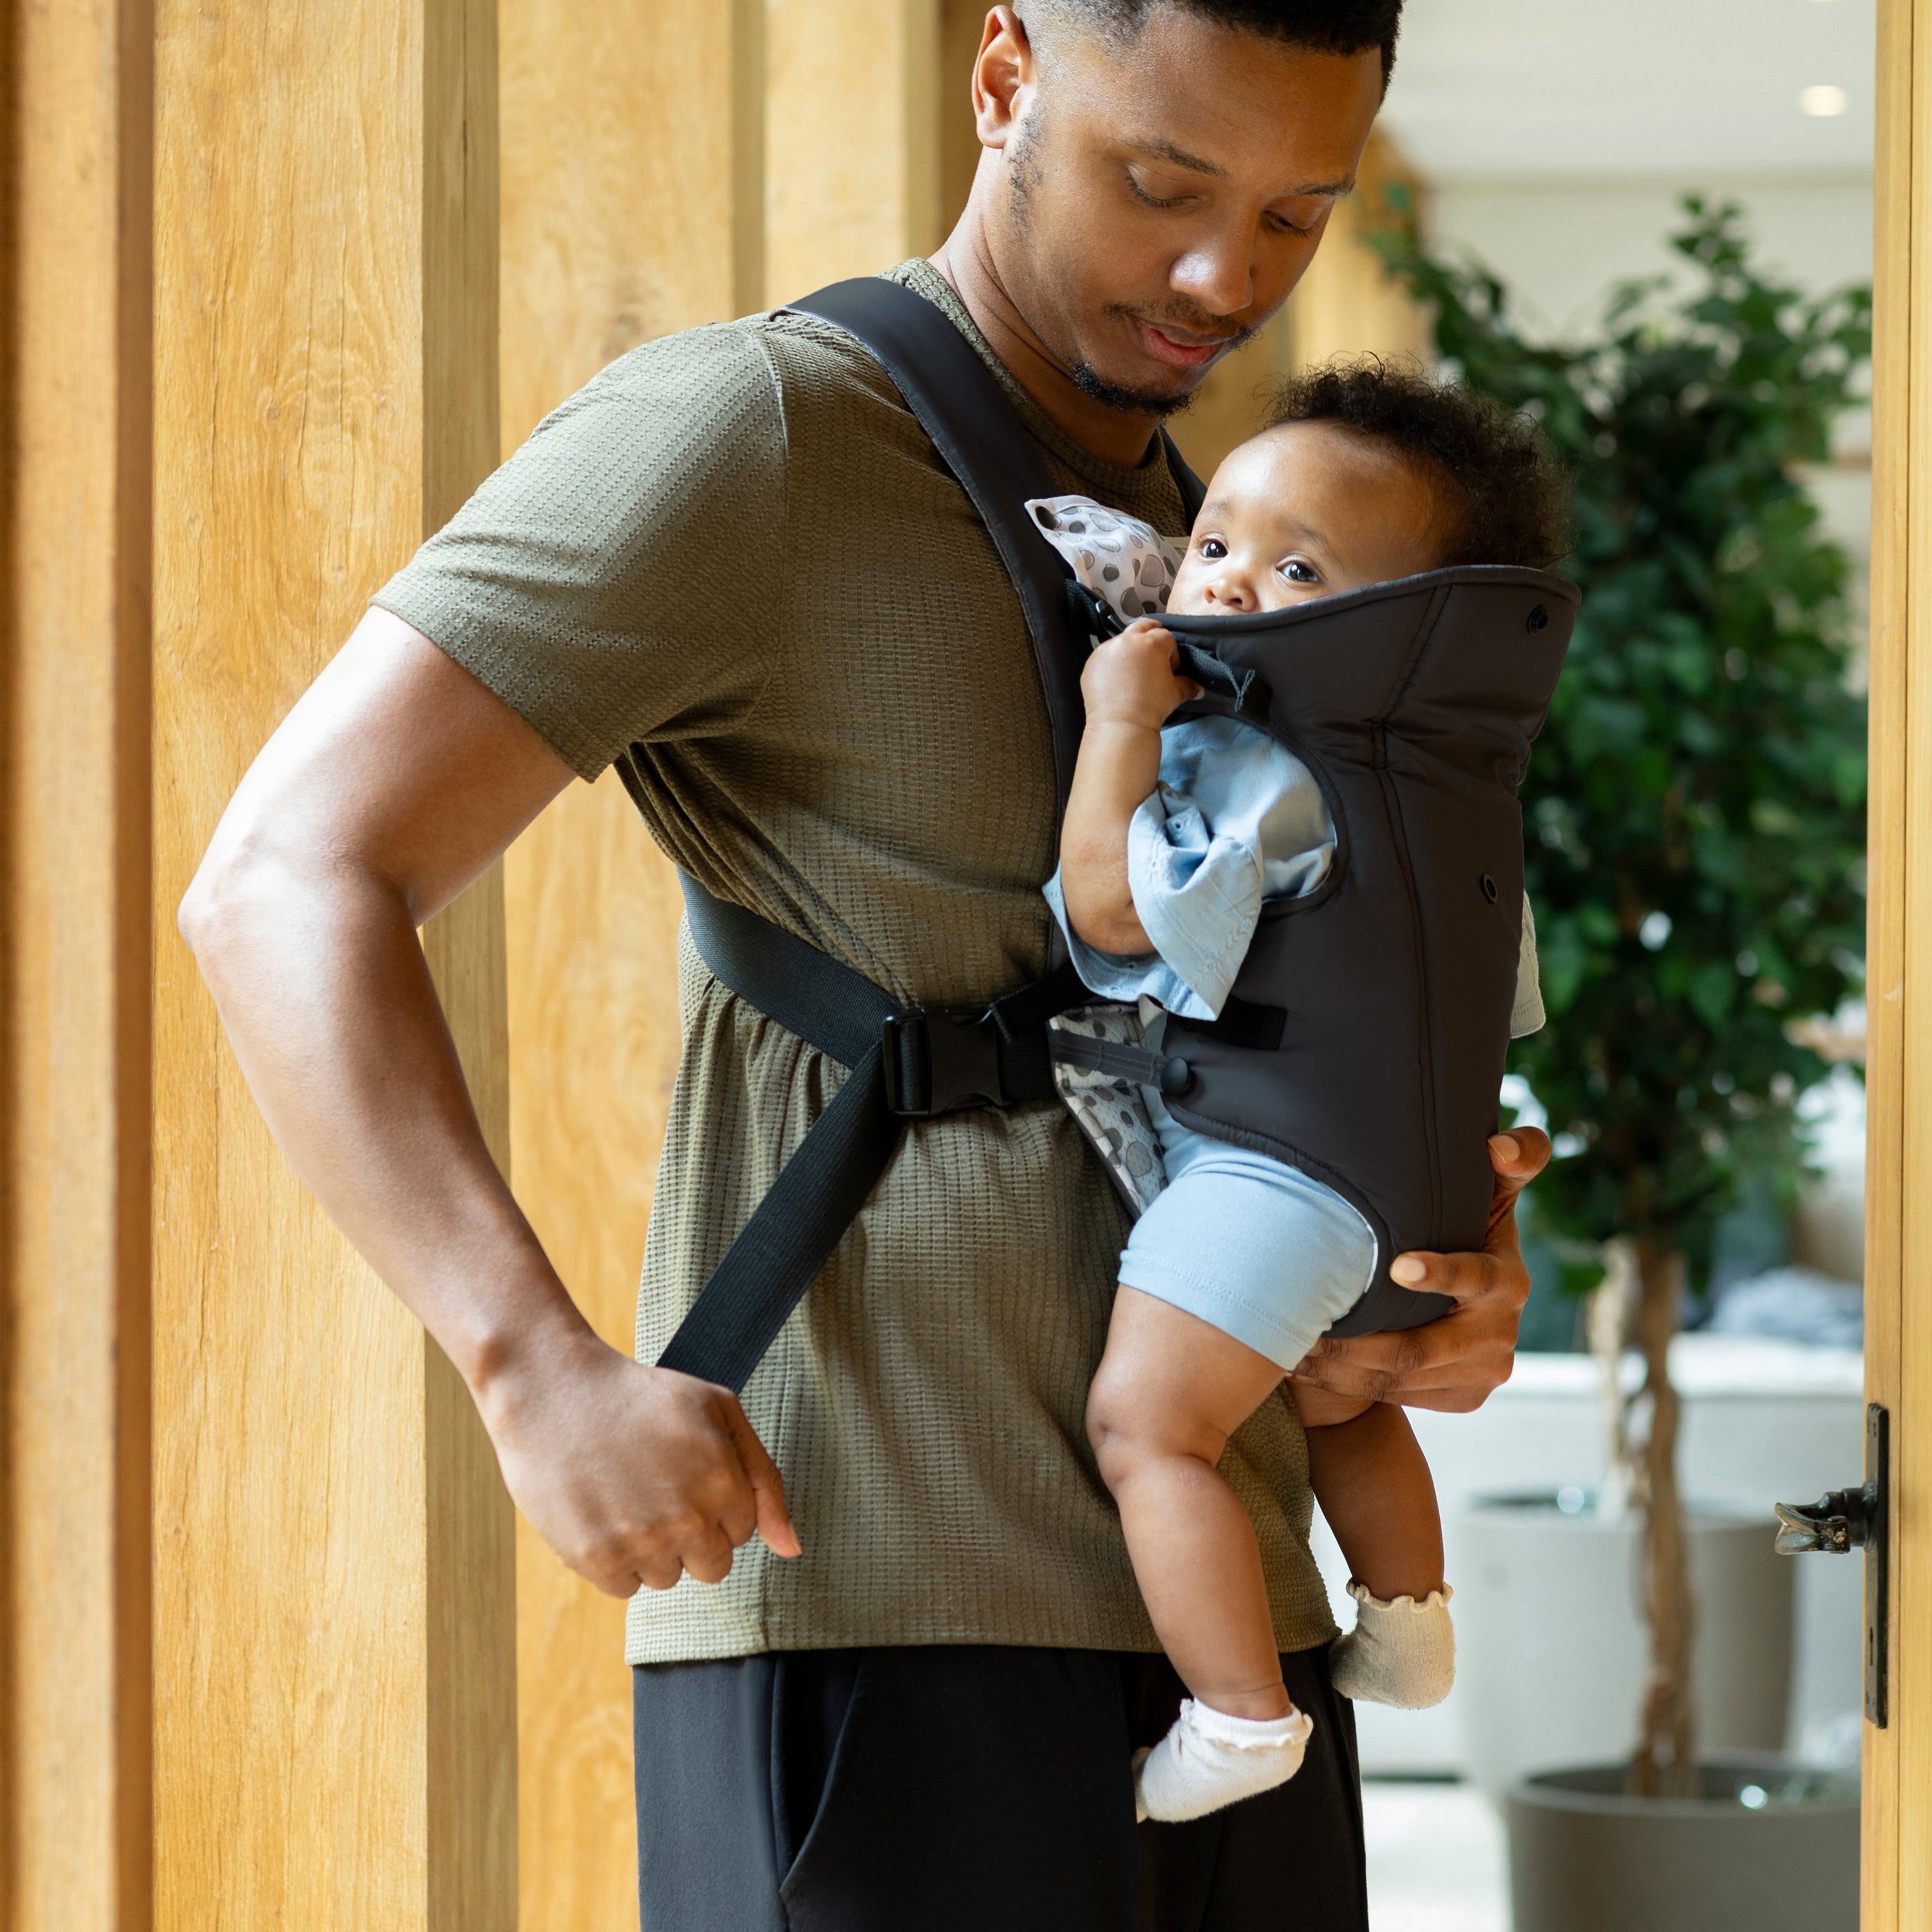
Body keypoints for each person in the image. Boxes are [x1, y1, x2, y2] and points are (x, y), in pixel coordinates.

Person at [178, 4, 1553, 1927]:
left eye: (1291, 219)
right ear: (1003, 78)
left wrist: (1438, 1274)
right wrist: (527, 1366)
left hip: (1242, 1639)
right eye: (1161, 184)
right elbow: (283, 876)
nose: (1218, 278)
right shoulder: (757, 431)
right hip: (875, 1612)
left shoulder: (1241, 546)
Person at [1037, 361, 1570, 1822]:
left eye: (1298, 569)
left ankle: (1240, 1717)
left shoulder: (1268, 772)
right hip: (1419, 1177)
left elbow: (1117, 918)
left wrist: (1117, 727)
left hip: (1282, 1169)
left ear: (1408, 619)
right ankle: (1407, 1627)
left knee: (1152, 1429)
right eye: (1215, 540)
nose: (1224, 583)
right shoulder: (1453, 778)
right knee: (1337, 1397)